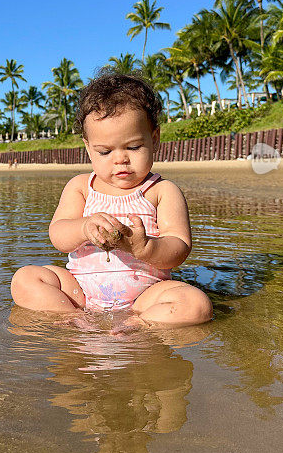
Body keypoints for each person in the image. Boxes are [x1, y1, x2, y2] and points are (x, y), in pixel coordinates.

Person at [11, 71, 212, 328]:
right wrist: (84, 227)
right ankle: (71, 318)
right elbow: (59, 236)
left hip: (144, 296)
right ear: (88, 147)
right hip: (80, 292)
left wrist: (144, 248)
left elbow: (179, 248)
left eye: (134, 147)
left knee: (196, 305)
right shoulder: (81, 187)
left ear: (155, 139)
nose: (120, 159)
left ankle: (139, 324)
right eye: (105, 151)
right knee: (25, 279)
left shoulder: (162, 191)